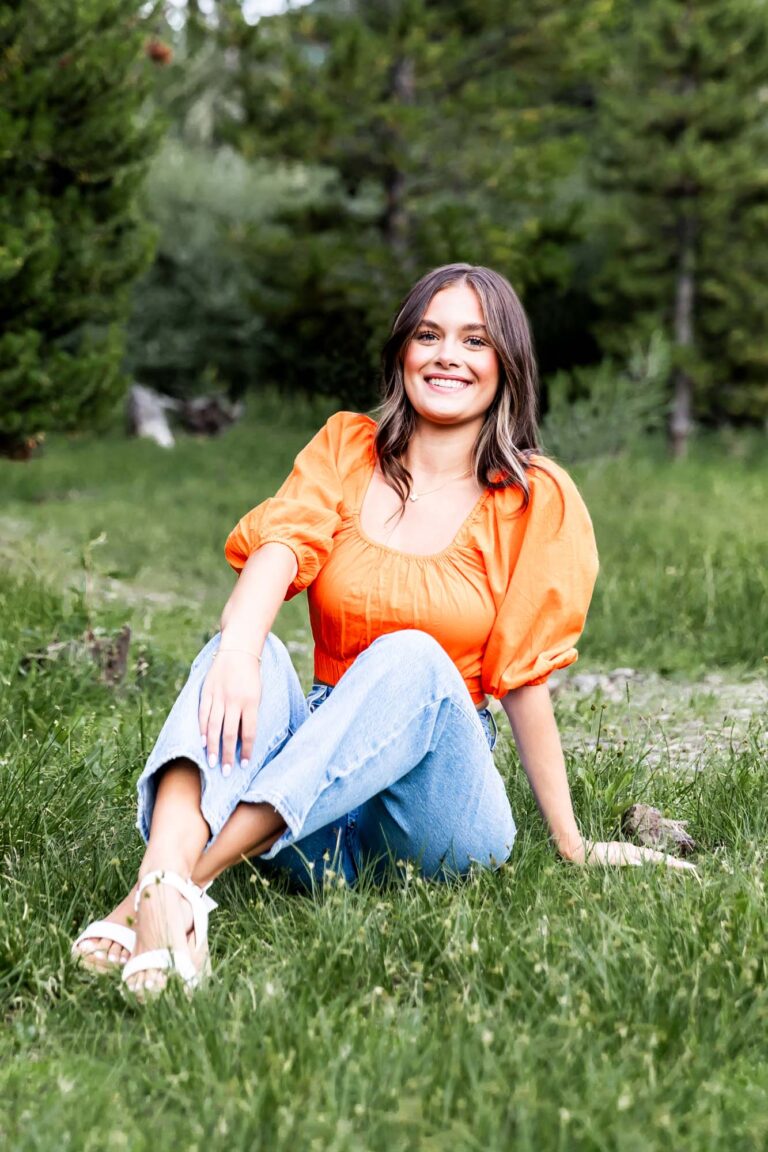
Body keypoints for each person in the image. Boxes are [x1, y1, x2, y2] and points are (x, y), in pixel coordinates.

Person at [72, 263, 694, 998]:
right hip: (315, 824)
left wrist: (574, 845)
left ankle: (169, 894)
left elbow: (525, 679)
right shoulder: (346, 448)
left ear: (506, 366)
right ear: (403, 350)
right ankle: (162, 878)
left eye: (474, 340)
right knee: (246, 647)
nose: (447, 355)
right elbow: (282, 547)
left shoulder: (534, 497)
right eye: (428, 334)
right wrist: (239, 650)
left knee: (411, 656)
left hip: (436, 820)